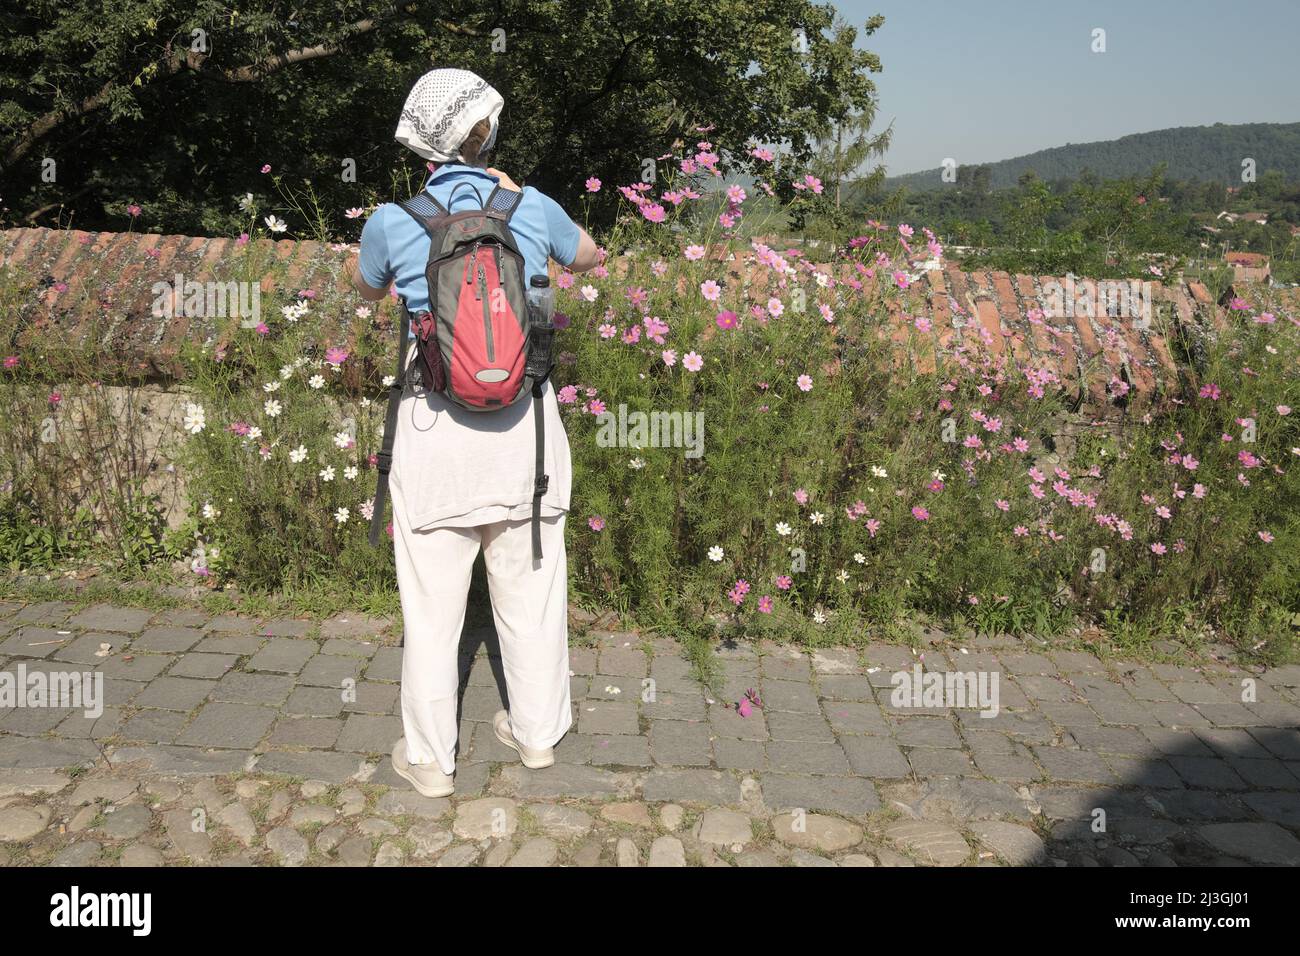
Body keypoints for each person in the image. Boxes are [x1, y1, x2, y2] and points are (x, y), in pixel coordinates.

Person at [349, 68, 599, 797]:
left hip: (436, 442)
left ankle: (430, 762)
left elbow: (366, 287)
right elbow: (590, 254)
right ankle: (537, 735)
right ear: (484, 130)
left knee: (432, 612)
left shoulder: (392, 220)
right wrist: (522, 199)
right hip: (528, 441)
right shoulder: (530, 205)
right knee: (532, 592)